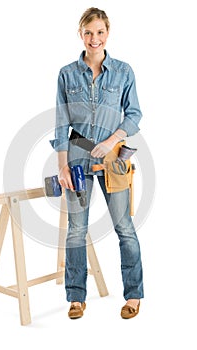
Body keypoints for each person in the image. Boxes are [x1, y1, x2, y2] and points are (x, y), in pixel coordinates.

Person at [50, 7, 144, 319]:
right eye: (88, 32)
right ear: (81, 34)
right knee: (76, 230)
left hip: (113, 160)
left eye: (100, 32)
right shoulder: (67, 74)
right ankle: (76, 297)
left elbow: (134, 115)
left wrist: (110, 141)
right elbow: (61, 123)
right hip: (76, 159)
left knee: (125, 228)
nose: (94, 38)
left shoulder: (123, 72)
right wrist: (62, 165)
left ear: (108, 33)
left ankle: (133, 295)